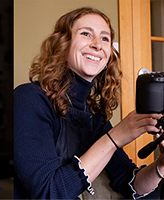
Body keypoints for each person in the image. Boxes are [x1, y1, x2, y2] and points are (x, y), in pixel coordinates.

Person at [14, 7, 164, 199]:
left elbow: (130, 183)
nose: (97, 45)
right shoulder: (29, 99)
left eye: (105, 38)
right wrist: (115, 138)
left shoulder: (95, 115)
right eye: (86, 34)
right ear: (63, 43)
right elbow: (49, 192)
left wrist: (161, 163)